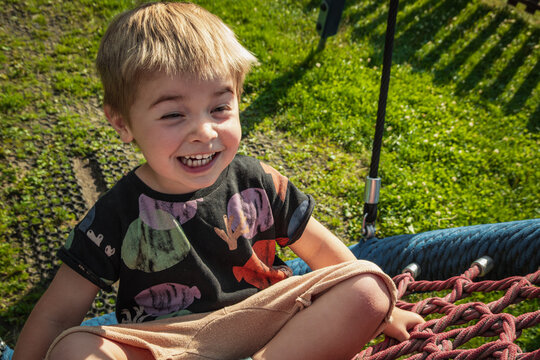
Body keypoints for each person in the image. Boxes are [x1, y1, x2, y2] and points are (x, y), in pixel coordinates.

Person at [12, 2, 424, 359]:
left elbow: (320, 249)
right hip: (168, 342)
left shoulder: (258, 181)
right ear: (122, 123)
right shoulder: (116, 213)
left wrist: (383, 311)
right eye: (174, 114)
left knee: (368, 285)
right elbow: (56, 313)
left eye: (220, 108)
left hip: (269, 318)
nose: (204, 132)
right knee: (73, 351)